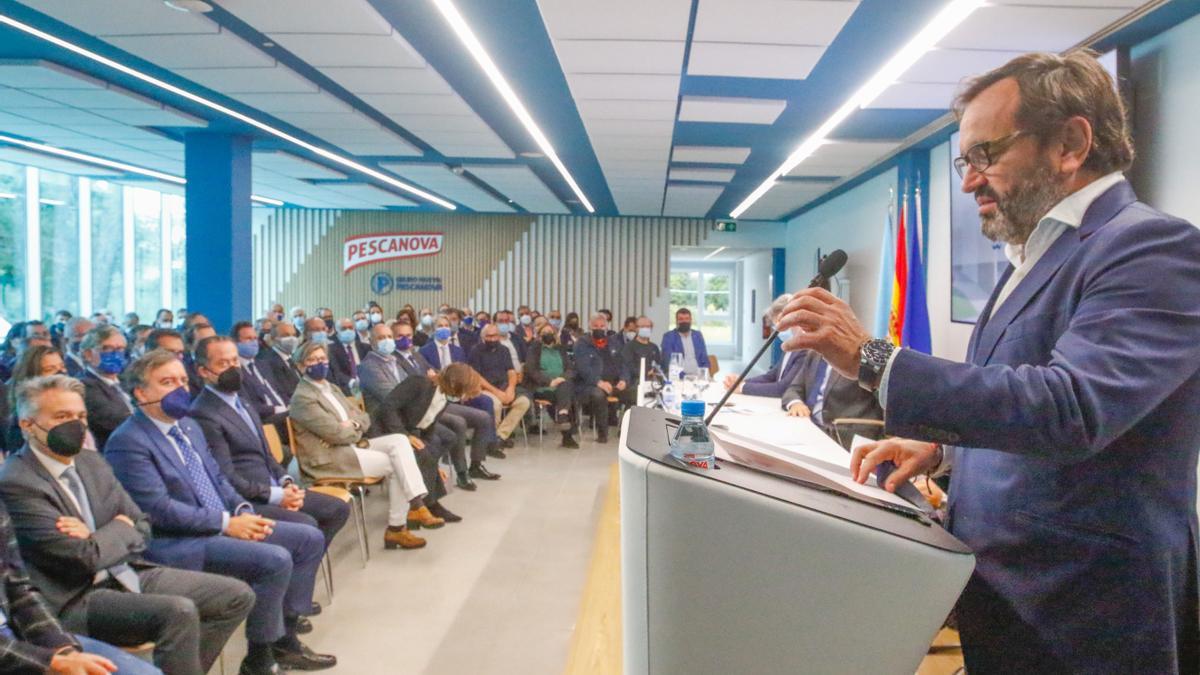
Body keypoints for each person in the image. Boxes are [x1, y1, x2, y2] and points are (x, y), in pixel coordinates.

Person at [781, 52, 1200, 673]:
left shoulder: (1152, 247)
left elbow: (1073, 408)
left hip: (1089, 608)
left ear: (1070, 143)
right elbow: (1019, 395)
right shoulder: (1028, 257)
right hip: (1008, 592)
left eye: (985, 155)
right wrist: (947, 452)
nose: (969, 181)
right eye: (964, 161)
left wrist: (872, 358)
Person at [0, 375, 255, 675]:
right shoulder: (17, 480)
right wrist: (117, 529)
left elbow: (141, 523)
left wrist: (101, 536)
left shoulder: (90, 460)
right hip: (76, 596)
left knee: (236, 596)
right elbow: (83, 558)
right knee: (178, 612)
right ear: (28, 424)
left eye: (80, 416)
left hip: (125, 570)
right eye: (61, 416)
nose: (76, 424)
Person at [104, 350, 335, 674]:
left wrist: (241, 510)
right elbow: (159, 510)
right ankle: (260, 657)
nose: (180, 390)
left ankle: (284, 635)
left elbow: (218, 480)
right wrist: (227, 523)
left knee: (308, 537)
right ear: (141, 393)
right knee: (275, 559)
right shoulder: (129, 440)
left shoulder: (188, 426)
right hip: (175, 540)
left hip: (219, 522)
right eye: (167, 382)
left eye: (183, 381)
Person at [189, 337, 351, 551]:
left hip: (274, 487)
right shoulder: (204, 413)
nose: (233, 368)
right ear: (203, 371)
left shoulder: (242, 402)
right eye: (223, 364)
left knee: (337, 509)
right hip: (249, 498)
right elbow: (225, 476)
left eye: (235, 361)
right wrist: (276, 496)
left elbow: (266, 454)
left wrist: (286, 483)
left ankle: (300, 566)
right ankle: (293, 565)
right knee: (307, 527)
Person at [287, 342, 435, 549]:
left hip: (350, 446)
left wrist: (353, 424)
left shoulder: (332, 388)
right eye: (312, 360)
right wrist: (353, 426)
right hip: (329, 457)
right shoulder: (303, 398)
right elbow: (337, 435)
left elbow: (364, 418)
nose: (319, 363)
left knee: (400, 441)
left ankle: (416, 504)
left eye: (322, 358)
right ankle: (398, 526)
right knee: (396, 464)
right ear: (301, 366)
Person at [0, 497, 161, 675]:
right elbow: (84, 555)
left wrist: (62, 648)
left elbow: (19, 587)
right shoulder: (17, 481)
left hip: (18, 635)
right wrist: (50, 663)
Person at [362, 323, 499, 486]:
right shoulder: (373, 365)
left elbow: (434, 374)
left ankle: (467, 466)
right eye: (384, 338)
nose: (389, 341)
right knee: (456, 426)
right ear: (371, 342)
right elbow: (393, 396)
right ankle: (444, 473)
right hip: (406, 412)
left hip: (428, 400)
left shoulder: (411, 356)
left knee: (480, 417)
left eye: (390, 337)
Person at [779, 350, 882, 443]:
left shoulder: (866, 358)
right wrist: (796, 403)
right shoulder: (814, 354)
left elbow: (885, 400)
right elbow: (794, 388)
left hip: (845, 436)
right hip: (808, 427)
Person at [723, 294, 808, 398]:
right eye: (775, 324)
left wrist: (742, 387)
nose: (777, 329)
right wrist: (741, 381)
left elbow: (783, 388)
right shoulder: (789, 345)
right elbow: (771, 376)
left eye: (780, 322)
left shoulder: (805, 349)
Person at [468, 324, 531, 451]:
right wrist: (497, 393)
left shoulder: (504, 350)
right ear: (483, 337)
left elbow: (511, 372)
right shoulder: (475, 351)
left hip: (504, 387)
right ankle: (490, 439)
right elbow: (477, 377)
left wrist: (511, 389)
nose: (492, 339)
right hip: (485, 389)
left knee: (524, 402)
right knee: (495, 404)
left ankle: (500, 436)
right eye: (489, 336)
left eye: (495, 335)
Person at [573, 314, 633, 443]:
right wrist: (598, 382)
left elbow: (624, 365)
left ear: (607, 326)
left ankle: (625, 430)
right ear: (590, 326)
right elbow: (583, 368)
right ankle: (602, 433)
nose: (599, 328)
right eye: (595, 326)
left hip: (614, 384)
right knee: (599, 395)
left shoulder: (614, 343)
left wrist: (623, 379)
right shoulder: (582, 344)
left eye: (602, 326)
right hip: (589, 385)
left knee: (634, 394)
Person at [79, 326, 134, 451]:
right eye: (107, 348)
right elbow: (116, 420)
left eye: (120, 349)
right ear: (88, 354)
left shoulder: (127, 382)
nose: (115, 354)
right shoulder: (84, 386)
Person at [524, 324, 578, 448]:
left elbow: (570, 368)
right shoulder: (534, 349)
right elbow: (531, 370)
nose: (548, 334)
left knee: (565, 386)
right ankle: (565, 429)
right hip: (542, 387)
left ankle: (563, 416)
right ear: (539, 335)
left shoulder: (560, 349)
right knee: (566, 392)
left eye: (550, 332)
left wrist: (562, 378)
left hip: (561, 384)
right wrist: (549, 382)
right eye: (544, 332)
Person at [256, 321, 301, 402]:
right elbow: (286, 392)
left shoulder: (290, 359)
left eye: (294, 335)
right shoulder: (270, 362)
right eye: (286, 335)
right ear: (273, 339)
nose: (292, 339)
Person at [660, 308, 708, 377]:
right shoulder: (668, 337)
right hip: (679, 377)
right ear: (677, 321)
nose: (684, 321)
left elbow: (704, 358)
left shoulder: (698, 335)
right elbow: (668, 362)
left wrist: (703, 374)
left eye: (687, 318)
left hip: (698, 376)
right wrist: (685, 377)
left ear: (691, 320)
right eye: (681, 319)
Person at [620, 316, 662, 393]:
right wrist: (647, 372)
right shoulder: (629, 347)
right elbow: (628, 367)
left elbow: (658, 365)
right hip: (635, 383)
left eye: (648, 326)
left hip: (653, 382)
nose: (645, 329)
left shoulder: (654, 347)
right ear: (636, 329)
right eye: (642, 326)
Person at [329, 318, 367, 396]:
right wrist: (352, 382)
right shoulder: (331, 350)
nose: (348, 331)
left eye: (350, 328)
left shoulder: (366, 348)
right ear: (336, 332)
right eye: (343, 329)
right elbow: (336, 372)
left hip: (367, 386)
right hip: (347, 387)